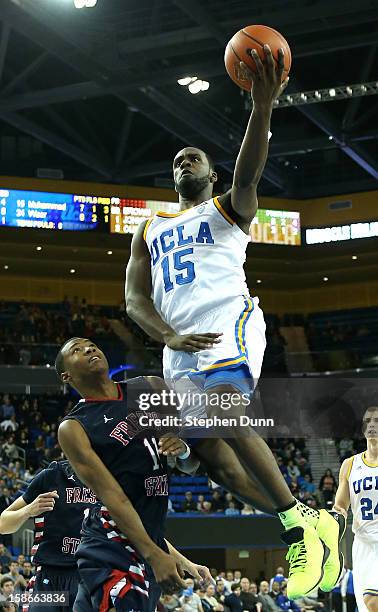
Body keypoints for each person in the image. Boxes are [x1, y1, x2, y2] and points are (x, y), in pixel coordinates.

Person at [125, 43, 344, 599]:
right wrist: (166, 335)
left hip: (228, 321)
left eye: (193, 157)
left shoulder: (225, 210)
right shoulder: (147, 229)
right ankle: (309, 521)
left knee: (229, 409)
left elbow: (249, 173)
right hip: (178, 348)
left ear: (212, 172)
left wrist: (262, 109)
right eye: (177, 160)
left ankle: (297, 524)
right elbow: (134, 300)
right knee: (214, 461)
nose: (184, 161)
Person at [56, 337, 209, 612]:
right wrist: (154, 555)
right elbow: (113, 497)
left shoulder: (148, 387)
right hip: (108, 545)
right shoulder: (74, 427)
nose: (89, 348)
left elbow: (189, 466)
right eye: (77, 351)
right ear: (66, 375)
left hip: (147, 539)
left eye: (91, 344)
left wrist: (183, 451)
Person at [0, 459, 97, 611]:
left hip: (88, 576)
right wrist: (28, 510)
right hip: (49, 577)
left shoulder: (109, 479)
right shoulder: (52, 475)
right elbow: (2, 524)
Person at [333, 404, 378, 612]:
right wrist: (334, 519)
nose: (372, 425)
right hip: (362, 544)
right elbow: (341, 505)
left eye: (377, 421)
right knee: (365, 607)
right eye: (368, 421)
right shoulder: (350, 465)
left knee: (373, 601)